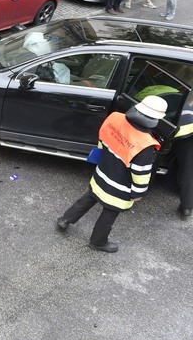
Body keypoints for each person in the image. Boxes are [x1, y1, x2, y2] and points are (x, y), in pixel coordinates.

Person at [56, 95, 168, 253]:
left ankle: (65, 220)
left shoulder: (115, 118)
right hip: (119, 188)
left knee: (89, 197)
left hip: (102, 173)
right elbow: (140, 173)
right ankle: (97, 242)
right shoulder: (145, 144)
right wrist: (138, 193)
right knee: (109, 214)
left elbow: (102, 142)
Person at [173, 103, 193, 218]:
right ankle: (187, 207)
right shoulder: (186, 107)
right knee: (188, 169)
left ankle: (187, 206)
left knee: (187, 170)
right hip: (187, 134)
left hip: (186, 136)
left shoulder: (183, 107)